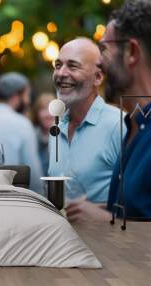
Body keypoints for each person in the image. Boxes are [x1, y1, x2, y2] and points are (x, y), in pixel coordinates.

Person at [48, 38, 125, 222]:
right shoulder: (57, 129)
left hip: (107, 247)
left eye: (73, 66)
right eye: (58, 65)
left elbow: (142, 207)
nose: (61, 73)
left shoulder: (120, 126)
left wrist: (106, 218)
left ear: (98, 77)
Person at [100, 0, 151, 219]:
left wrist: (103, 222)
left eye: (104, 49)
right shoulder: (133, 125)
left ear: (131, 51)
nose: (99, 62)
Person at [0, 72, 43, 192]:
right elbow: (33, 174)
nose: (28, 101)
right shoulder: (23, 124)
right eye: (27, 95)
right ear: (16, 96)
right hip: (13, 197)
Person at [31, 93, 56, 175]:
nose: (47, 114)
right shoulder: (31, 135)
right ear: (36, 113)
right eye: (43, 109)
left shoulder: (66, 136)